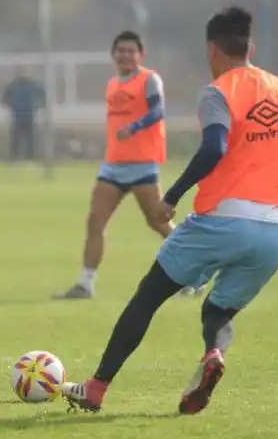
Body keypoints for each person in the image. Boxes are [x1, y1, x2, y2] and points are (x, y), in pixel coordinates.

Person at [62, 6, 278, 415]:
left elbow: (214, 147)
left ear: (212, 50)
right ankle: (212, 356)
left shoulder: (219, 91)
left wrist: (170, 197)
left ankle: (96, 388)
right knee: (218, 309)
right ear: (250, 47)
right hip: (276, 228)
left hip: (222, 219)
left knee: (148, 296)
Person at [55, 30, 189, 299]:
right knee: (95, 221)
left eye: (131, 50)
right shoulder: (113, 84)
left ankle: (191, 275)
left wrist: (135, 126)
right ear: (113, 54)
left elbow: (158, 111)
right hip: (113, 165)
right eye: (121, 50)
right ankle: (86, 283)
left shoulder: (149, 80)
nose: (125, 55)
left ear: (141, 54)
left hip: (142, 165)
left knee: (158, 222)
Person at [1, 70, 45, 161]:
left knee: (26, 137)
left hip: (25, 115)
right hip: (21, 115)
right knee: (22, 137)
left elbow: (41, 96)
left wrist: (37, 105)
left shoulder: (20, 85)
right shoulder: (17, 85)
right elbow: (5, 98)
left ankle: (24, 156)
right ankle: (21, 156)